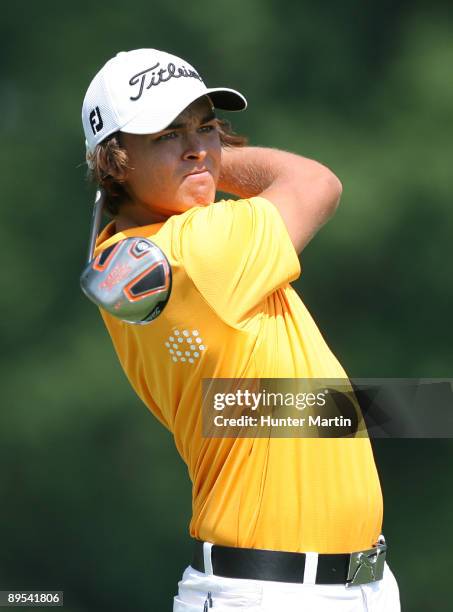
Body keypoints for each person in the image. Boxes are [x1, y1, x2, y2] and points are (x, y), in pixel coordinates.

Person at [81, 48, 401, 611]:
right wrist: (209, 162)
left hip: (355, 587)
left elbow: (280, 409)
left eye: (206, 128)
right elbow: (317, 183)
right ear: (116, 160)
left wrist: (188, 158)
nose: (198, 147)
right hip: (270, 594)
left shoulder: (151, 254)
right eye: (167, 134)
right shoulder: (197, 251)